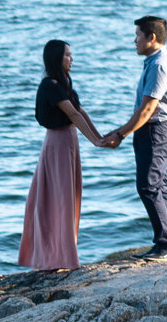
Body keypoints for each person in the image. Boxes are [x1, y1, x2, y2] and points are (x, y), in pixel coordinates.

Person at [19, 39, 114, 271]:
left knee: (68, 198)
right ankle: (58, 258)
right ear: (55, 59)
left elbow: (80, 111)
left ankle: (60, 255)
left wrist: (100, 137)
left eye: (71, 55)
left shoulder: (64, 83)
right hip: (58, 143)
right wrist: (96, 142)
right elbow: (73, 114)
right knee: (58, 200)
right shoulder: (50, 85)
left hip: (68, 141)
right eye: (67, 56)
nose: (71, 59)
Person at [102, 15, 167, 259]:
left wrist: (121, 133)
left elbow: (148, 109)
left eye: (138, 35)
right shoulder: (155, 61)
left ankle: (166, 246)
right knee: (158, 185)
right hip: (154, 130)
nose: (134, 40)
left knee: (148, 186)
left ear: (152, 37)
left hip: (155, 130)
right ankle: (165, 244)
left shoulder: (159, 64)